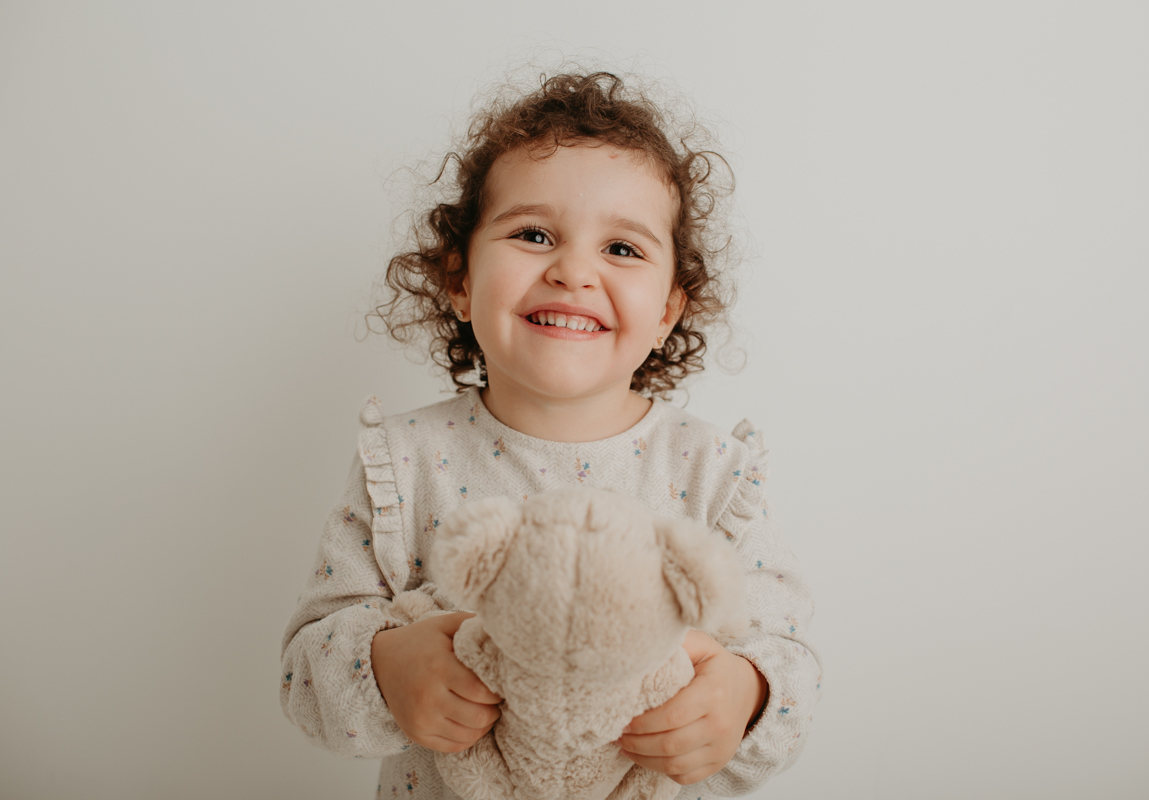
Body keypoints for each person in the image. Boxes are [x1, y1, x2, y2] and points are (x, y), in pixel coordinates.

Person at [280, 71, 821, 799]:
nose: (573, 271)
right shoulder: (404, 464)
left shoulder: (714, 475)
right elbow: (304, 672)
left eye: (622, 250)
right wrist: (386, 667)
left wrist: (745, 695)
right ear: (460, 278)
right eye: (534, 234)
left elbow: (788, 663)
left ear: (666, 310)